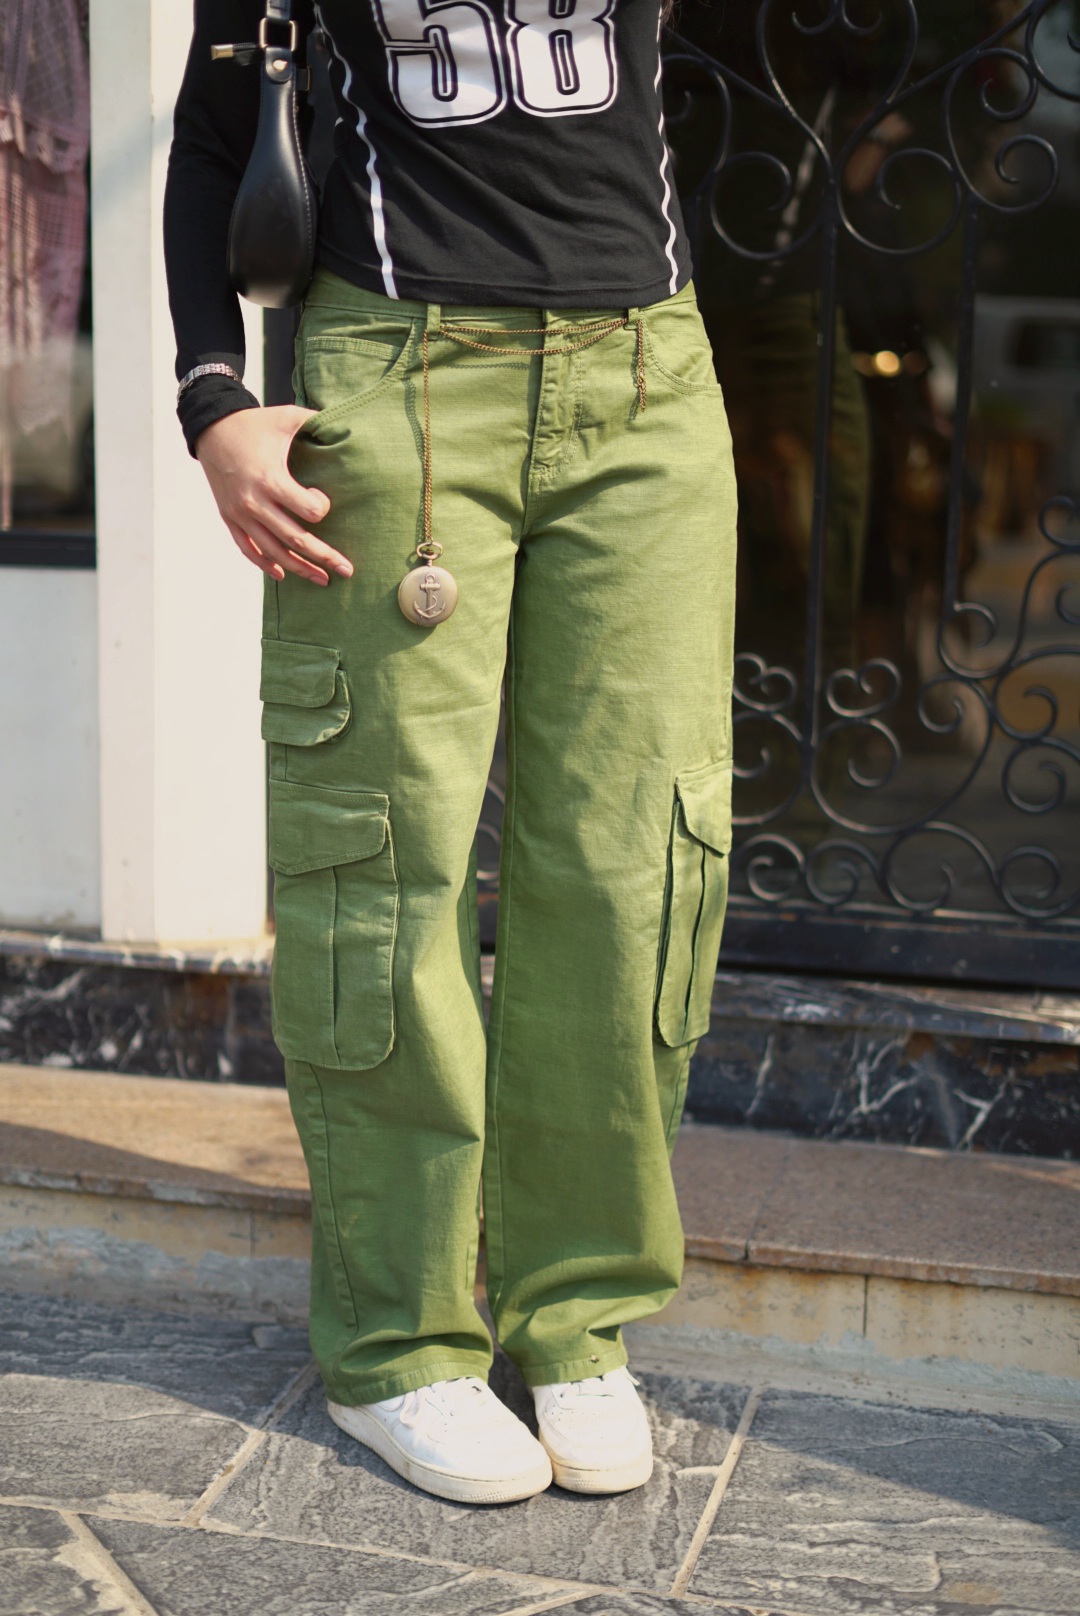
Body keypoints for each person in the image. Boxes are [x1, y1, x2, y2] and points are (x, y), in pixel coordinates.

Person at [165, 0, 737, 1506]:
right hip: (397, 369)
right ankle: (398, 1339)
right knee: (382, 858)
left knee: (631, 862)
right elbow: (215, 128)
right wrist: (213, 396)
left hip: (647, 381)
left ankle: (578, 1315)